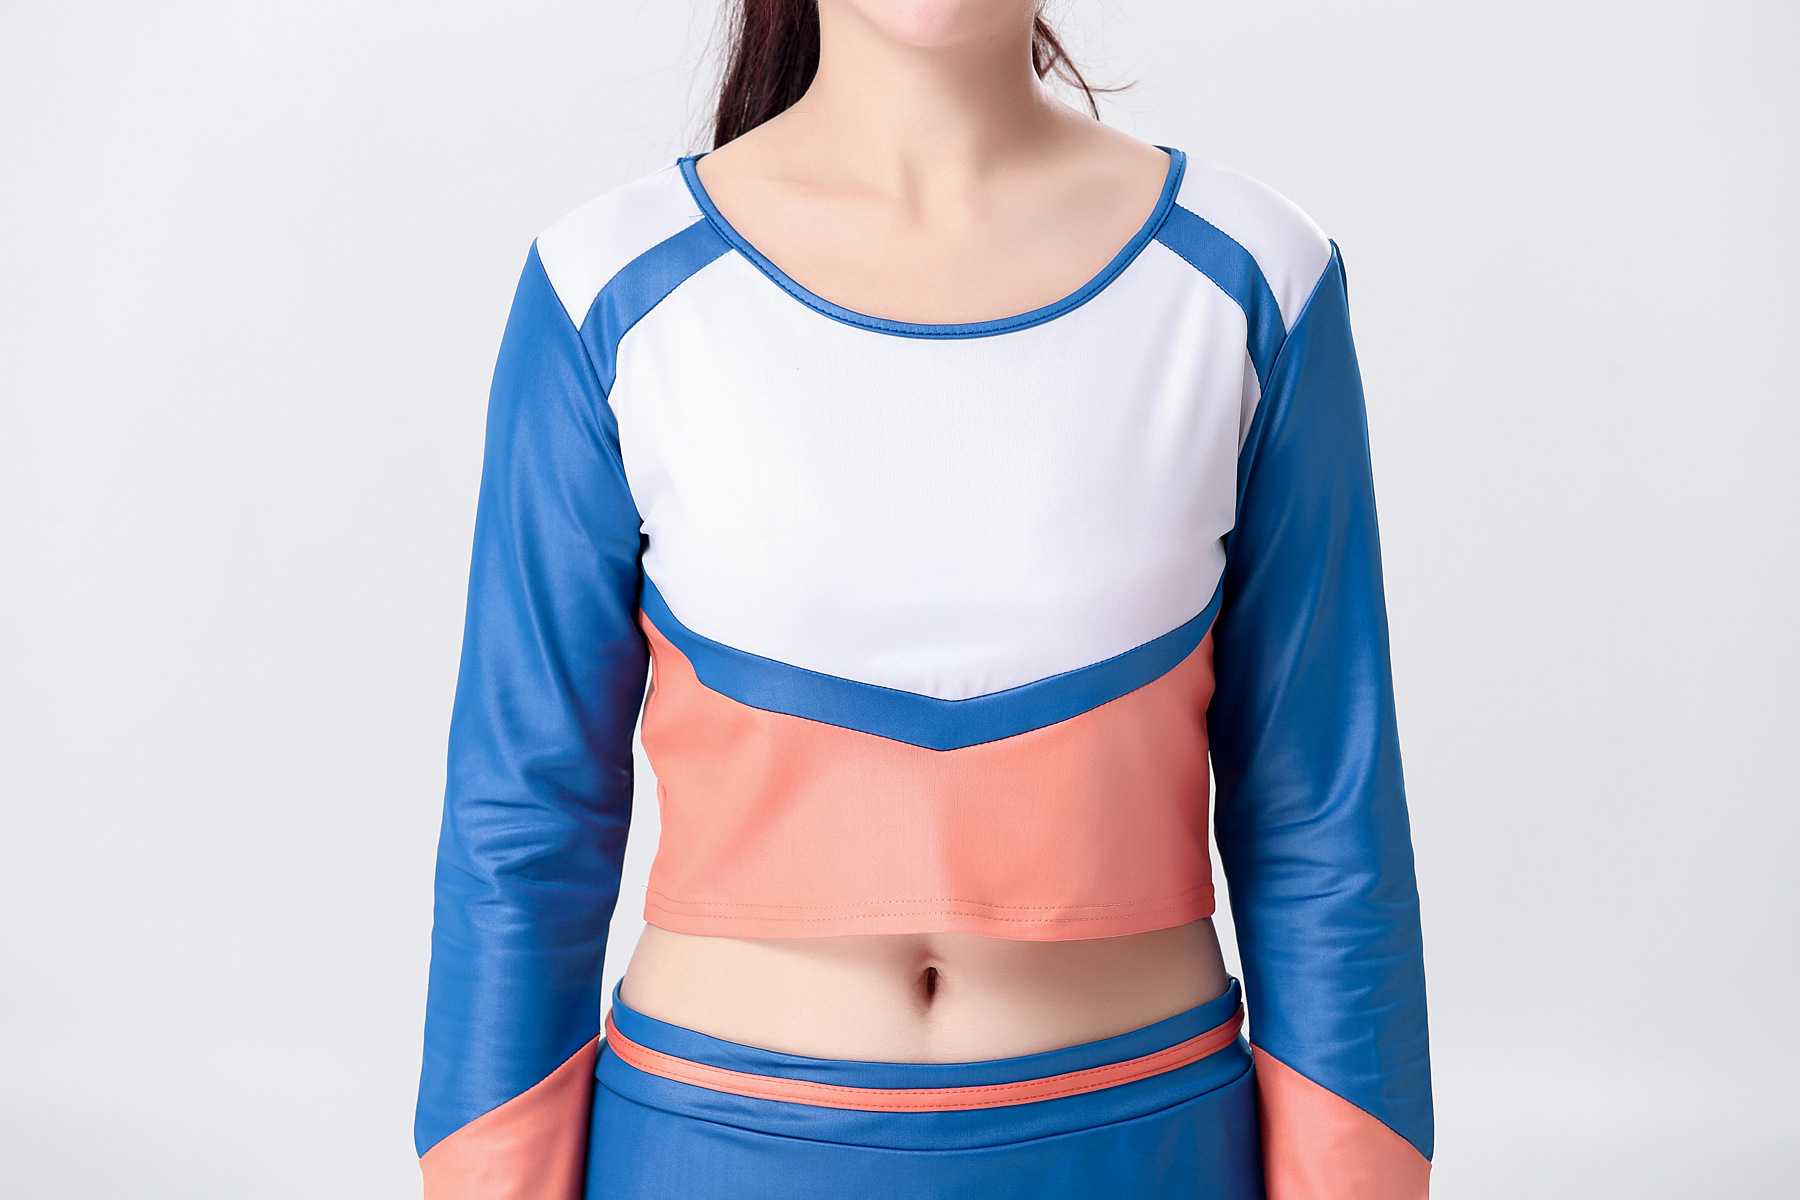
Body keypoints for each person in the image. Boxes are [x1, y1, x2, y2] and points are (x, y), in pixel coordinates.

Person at [413, 1, 1432, 1196]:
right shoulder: (602, 285)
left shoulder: (1259, 277)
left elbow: (1324, 823)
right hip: (715, 1148)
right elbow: (523, 826)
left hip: (1137, 1144)